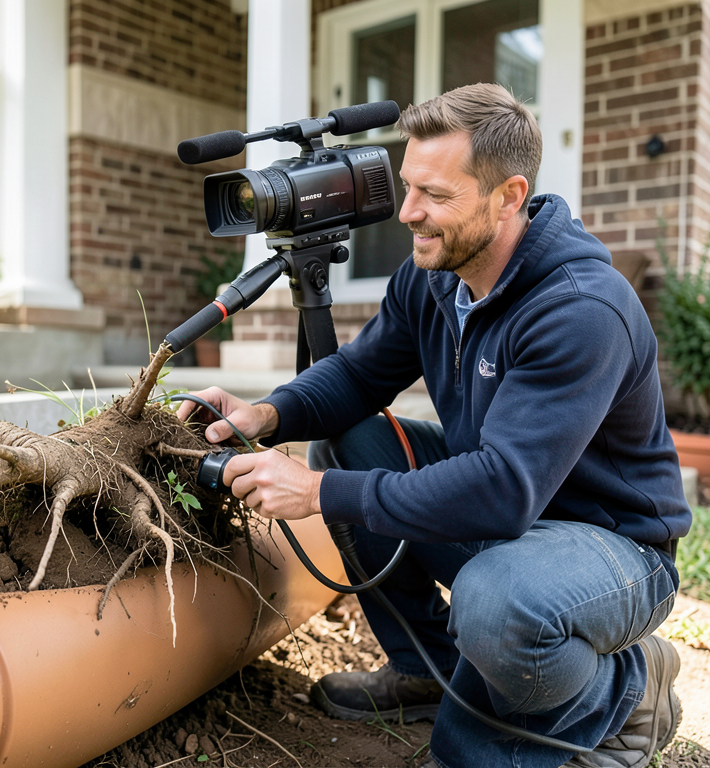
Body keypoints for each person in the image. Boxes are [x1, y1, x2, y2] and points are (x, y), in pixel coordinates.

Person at [177, 83, 691, 768]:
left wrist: (318, 492)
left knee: (497, 602)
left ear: (508, 196)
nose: (408, 212)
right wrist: (264, 414)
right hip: (509, 520)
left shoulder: (581, 309)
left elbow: (503, 489)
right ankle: (428, 668)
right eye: (408, 186)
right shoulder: (437, 275)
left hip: (612, 549)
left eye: (436, 196)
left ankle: (627, 688)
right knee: (352, 440)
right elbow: (360, 376)